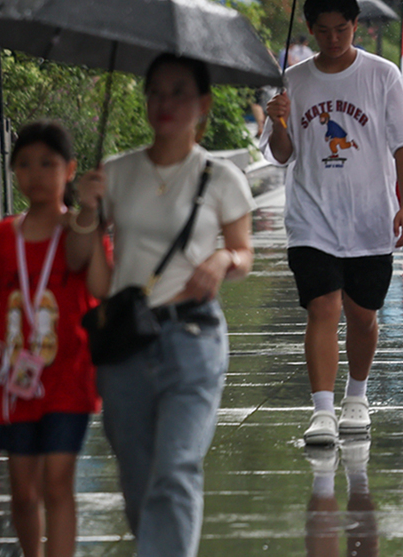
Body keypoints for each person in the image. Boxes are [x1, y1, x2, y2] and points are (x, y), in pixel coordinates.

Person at [71, 55, 254, 557]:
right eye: (156, 91)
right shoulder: (115, 173)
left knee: (175, 470)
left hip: (193, 339)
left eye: (179, 92)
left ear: (203, 105)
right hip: (127, 341)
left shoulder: (220, 177)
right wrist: (86, 211)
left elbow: (244, 255)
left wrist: (221, 258)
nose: (165, 103)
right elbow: (92, 272)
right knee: (136, 475)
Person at [263, 0, 403, 446]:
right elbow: (282, 155)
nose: (334, 38)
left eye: (342, 29)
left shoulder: (382, 75)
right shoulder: (292, 81)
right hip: (311, 217)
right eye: (324, 30)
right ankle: (322, 410)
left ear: (357, 25)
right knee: (323, 307)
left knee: (362, 315)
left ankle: (357, 395)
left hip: (370, 217)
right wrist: (278, 121)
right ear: (311, 29)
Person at [0, 122, 103, 557]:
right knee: (22, 490)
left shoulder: (78, 231)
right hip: (17, 385)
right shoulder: (2, 237)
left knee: (58, 481)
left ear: (70, 170)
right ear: (13, 173)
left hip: (70, 379)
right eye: (24, 164)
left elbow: (101, 285)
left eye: (48, 163)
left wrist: (94, 216)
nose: (36, 173)